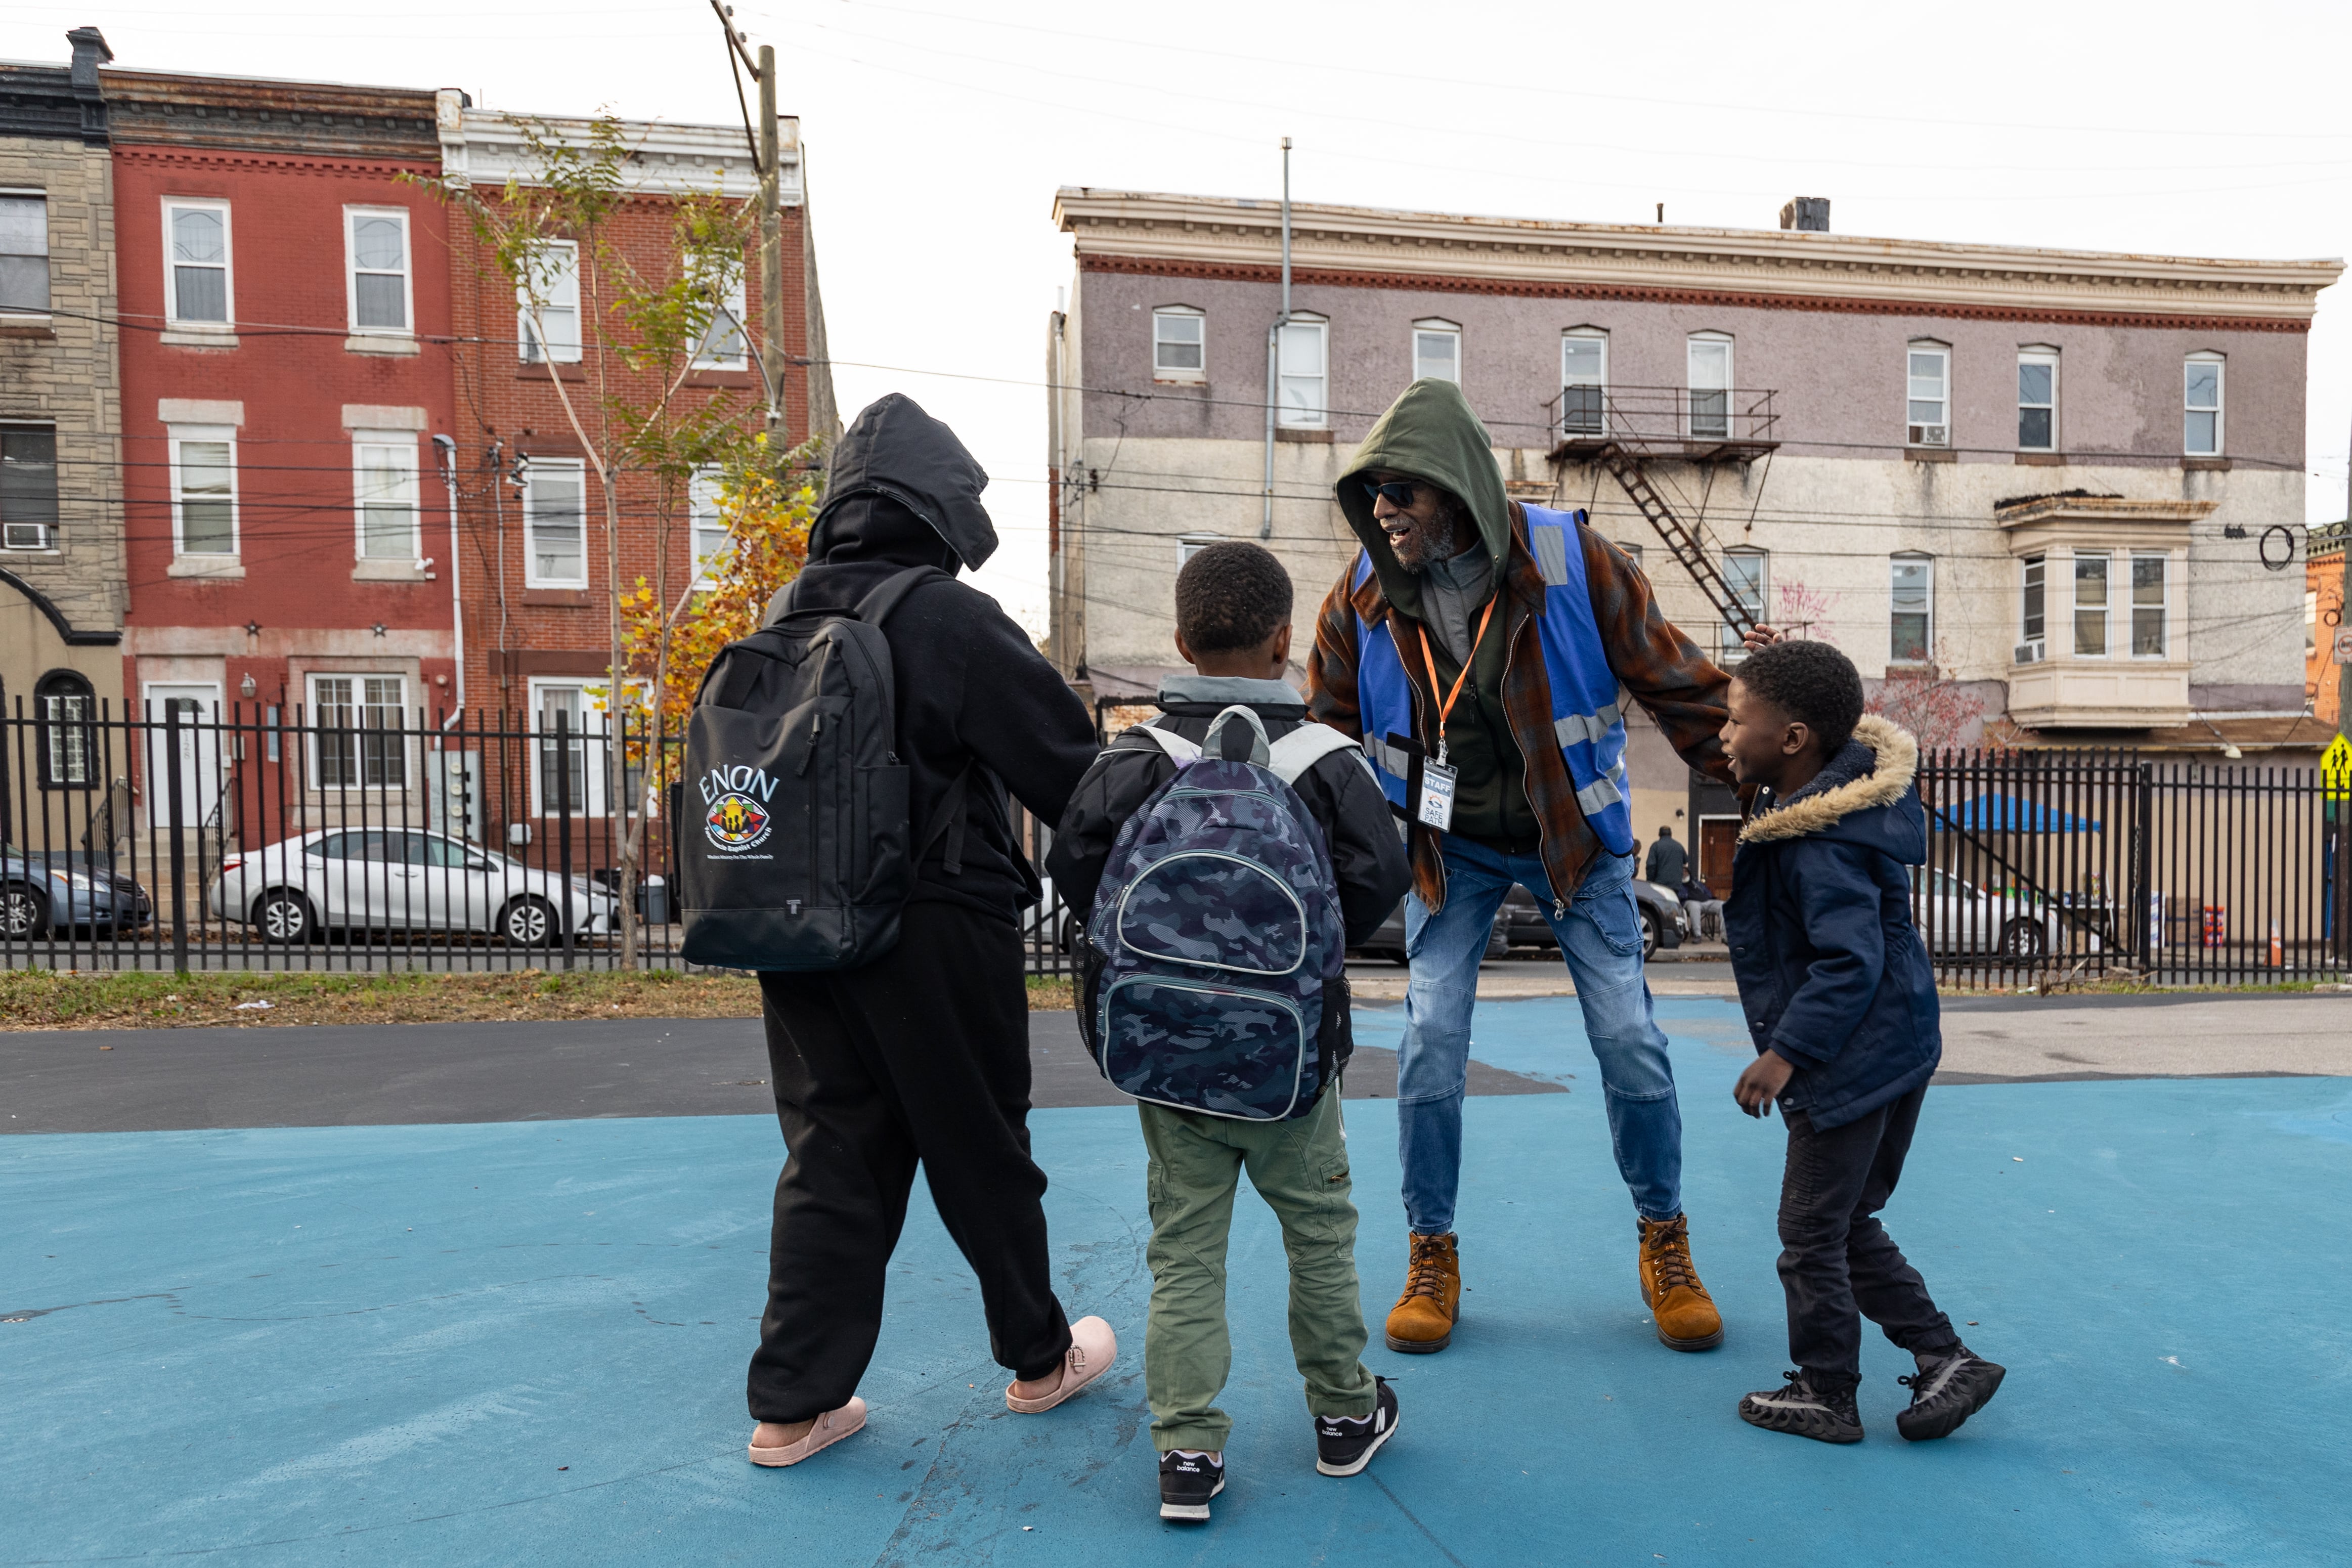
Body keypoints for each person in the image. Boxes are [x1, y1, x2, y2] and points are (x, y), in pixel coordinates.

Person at [1308, 377, 1755, 1358]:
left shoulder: (1573, 558)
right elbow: (1330, 739)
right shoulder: (1364, 593)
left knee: (1631, 1036)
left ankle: (1665, 1238)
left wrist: (1783, 766)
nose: (1384, 507)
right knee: (1430, 1038)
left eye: (1404, 489)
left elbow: (1677, 680)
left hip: (1574, 844)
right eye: (1373, 489)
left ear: (1458, 487)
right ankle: (1431, 1248)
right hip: (1448, 847)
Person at [744, 394, 1118, 1469]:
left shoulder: (780, 619)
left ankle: (791, 1404)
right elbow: (1069, 773)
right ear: (945, 509)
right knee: (978, 1140)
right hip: (932, 926)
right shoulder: (946, 617)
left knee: (833, 1149)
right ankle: (1041, 1357)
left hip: (795, 927)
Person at [1050, 541, 1413, 1522]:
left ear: (1178, 640)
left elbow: (1075, 861)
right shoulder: (1326, 761)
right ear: (1285, 638)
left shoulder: (1136, 755)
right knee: (1320, 1234)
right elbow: (1378, 878)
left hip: (1171, 1058)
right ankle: (1345, 1413)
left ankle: (1187, 1451)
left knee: (1185, 1248)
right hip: (1291, 1062)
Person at [1718, 639, 2004, 1444]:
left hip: (1850, 1060)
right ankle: (1947, 1359)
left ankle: (1825, 1390)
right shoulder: (1841, 810)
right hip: (1893, 1047)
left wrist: (1784, 1056)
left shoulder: (1820, 841)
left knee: (1809, 1232)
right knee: (1844, 1222)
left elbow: (1850, 963)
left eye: (1738, 722)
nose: (1725, 736)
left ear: (1794, 738)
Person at [1680, 874, 1724, 944]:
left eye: (1686, 872)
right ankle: (1697, 935)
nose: (1685, 874)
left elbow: (1707, 892)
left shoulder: (1696, 882)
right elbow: (1681, 895)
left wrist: (1707, 896)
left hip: (1705, 901)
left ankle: (1725, 936)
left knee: (1723, 905)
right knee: (1695, 907)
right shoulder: (1679, 884)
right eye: (1683, 872)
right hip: (1691, 901)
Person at [1644, 824, 1688, 890]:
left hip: (1660, 885)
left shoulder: (1656, 846)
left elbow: (1651, 866)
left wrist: (1650, 882)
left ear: (1659, 834)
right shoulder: (1679, 846)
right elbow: (1686, 860)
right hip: (1676, 885)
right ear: (1671, 834)